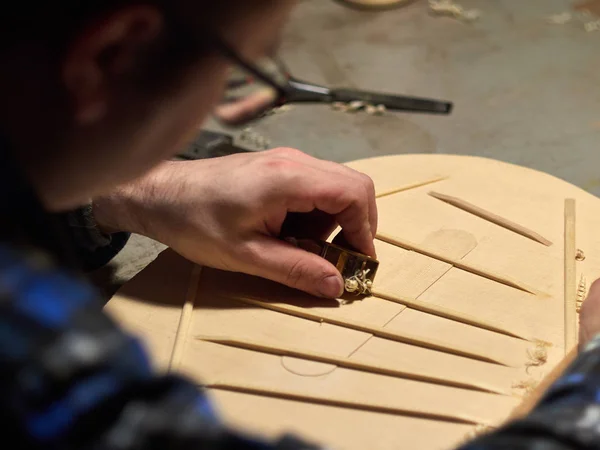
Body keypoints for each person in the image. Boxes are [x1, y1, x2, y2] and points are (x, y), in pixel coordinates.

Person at [0, 1, 599, 449]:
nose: (232, 106)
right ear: (111, 55)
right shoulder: (25, 337)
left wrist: (134, 188)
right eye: (245, 72)